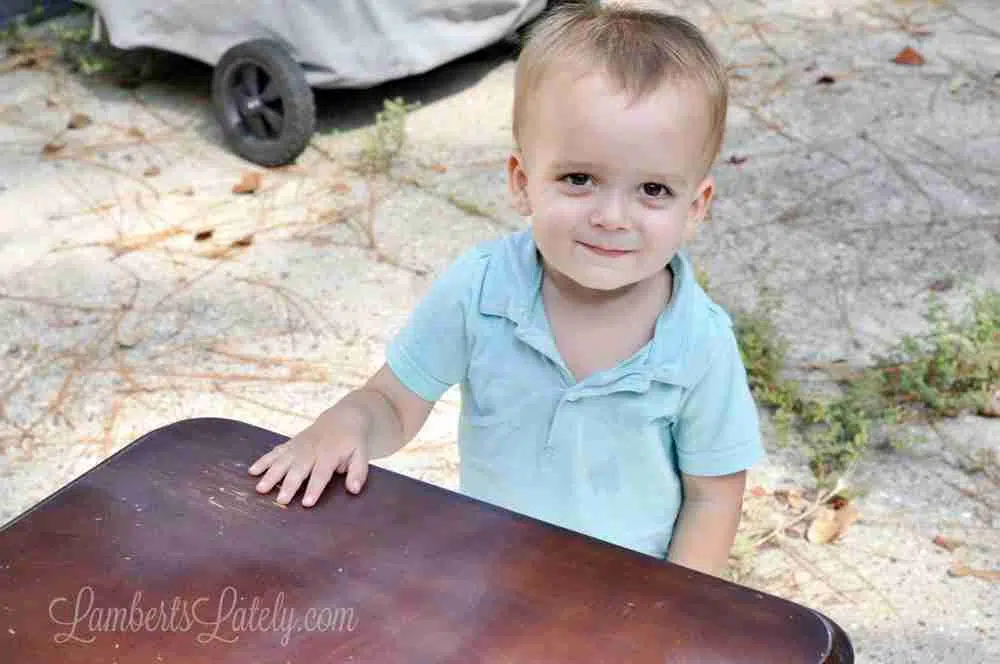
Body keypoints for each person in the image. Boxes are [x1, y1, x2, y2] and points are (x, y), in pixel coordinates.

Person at [248, 0, 764, 578]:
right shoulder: (484, 289)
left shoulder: (697, 342)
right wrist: (349, 422)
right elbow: (395, 401)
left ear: (696, 207)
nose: (612, 216)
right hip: (492, 570)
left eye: (652, 190)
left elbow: (713, 495)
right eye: (579, 179)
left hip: (625, 595)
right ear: (522, 182)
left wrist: (675, 607)